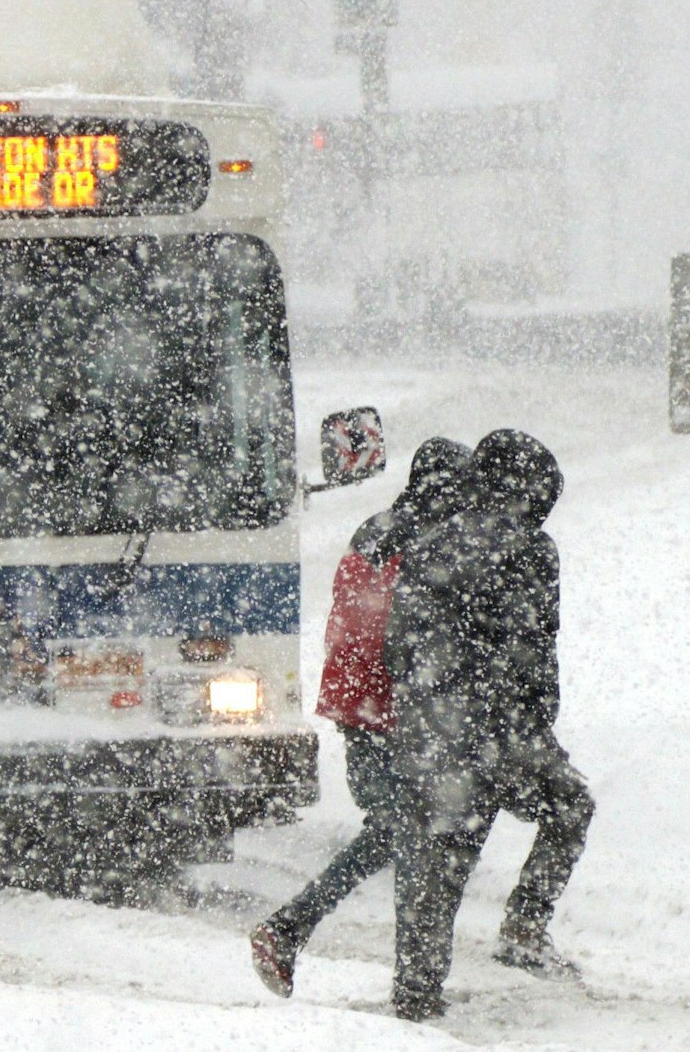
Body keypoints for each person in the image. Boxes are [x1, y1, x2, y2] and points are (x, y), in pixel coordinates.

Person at [249, 437, 473, 998]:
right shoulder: (429, 539)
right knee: (406, 834)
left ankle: (299, 933)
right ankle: (406, 983)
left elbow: (355, 620)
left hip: (362, 703)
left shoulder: (379, 527)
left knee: (398, 833)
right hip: (394, 707)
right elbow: (401, 631)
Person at [385, 429, 594, 1022]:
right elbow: (534, 647)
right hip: (504, 727)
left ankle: (416, 990)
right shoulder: (533, 549)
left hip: (436, 729)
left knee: (443, 858)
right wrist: (533, 722)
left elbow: (399, 646)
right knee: (570, 808)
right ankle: (526, 926)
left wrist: (424, 715)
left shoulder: (427, 545)